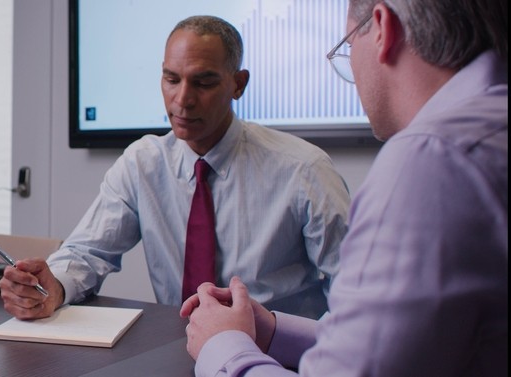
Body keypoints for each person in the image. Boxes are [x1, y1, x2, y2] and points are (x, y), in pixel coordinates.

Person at [180, 0, 508, 375]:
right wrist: (271, 331)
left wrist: (223, 346)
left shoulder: (432, 158)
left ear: (382, 28)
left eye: (349, 44)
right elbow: (402, 345)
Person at [0, 16, 351, 321]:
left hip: (277, 356)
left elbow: (353, 288)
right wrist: (52, 287)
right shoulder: (143, 164)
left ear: (238, 84)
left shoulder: (304, 170)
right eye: (171, 79)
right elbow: (87, 252)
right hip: (177, 348)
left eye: (203, 82)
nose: (182, 99)